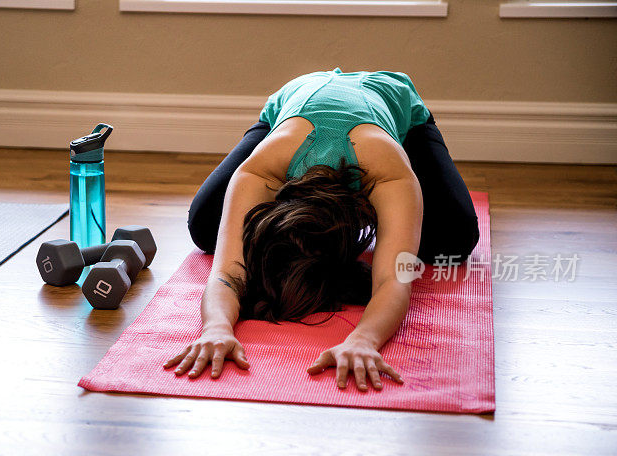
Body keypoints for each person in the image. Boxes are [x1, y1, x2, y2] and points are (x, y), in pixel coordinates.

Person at [164, 68, 480, 391]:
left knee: (454, 240)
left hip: (392, 98)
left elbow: (392, 279)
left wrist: (364, 339)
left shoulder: (387, 168)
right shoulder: (263, 168)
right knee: (205, 226)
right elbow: (226, 273)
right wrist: (216, 327)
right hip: (296, 100)